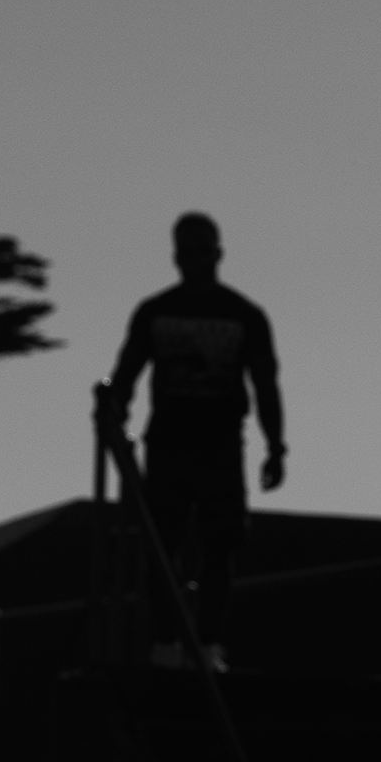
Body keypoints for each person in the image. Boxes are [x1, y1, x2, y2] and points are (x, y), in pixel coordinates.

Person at [105, 212, 285, 670]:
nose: (196, 260)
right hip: (168, 444)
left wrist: (276, 446)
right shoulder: (153, 312)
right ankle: (166, 643)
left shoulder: (245, 316)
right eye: (187, 251)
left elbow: (266, 383)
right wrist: (113, 414)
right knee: (162, 545)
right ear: (176, 256)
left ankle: (206, 644)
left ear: (218, 254)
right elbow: (127, 370)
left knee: (219, 547)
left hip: (221, 447)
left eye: (203, 250)